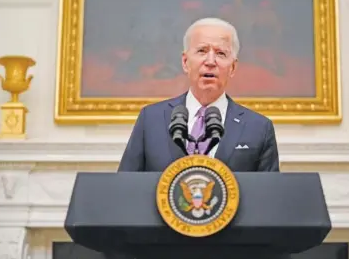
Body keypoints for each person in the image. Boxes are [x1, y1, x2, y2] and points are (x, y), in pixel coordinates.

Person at [117, 17, 279, 173]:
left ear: (233, 68)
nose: (210, 61)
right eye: (202, 51)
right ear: (185, 62)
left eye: (221, 53)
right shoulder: (151, 119)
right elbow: (126, 185)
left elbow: (267, 194)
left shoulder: (258, 128)